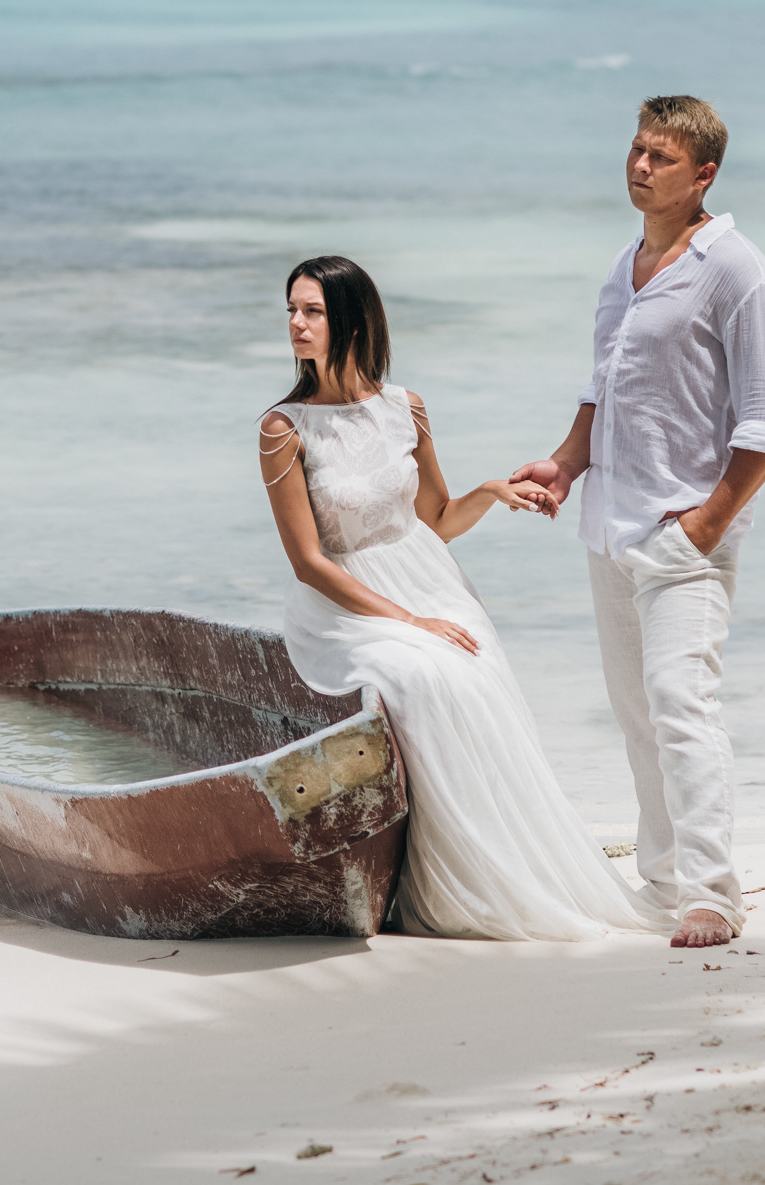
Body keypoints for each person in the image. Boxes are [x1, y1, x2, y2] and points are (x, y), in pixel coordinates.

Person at [258, 255, 674, 940]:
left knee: (476, 667)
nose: (297, 325)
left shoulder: (406, 408)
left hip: (426, 578)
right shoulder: (283, 429)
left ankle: (511, 862)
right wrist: (408, 621)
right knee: (422, 674)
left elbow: (437, 520)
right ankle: (452, 880)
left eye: (313, 312)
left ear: (353, 321)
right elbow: (307, 563)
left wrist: (489, 492)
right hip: (341, 608)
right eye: (292, 312)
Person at [510, 95, 765, 949]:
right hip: (611, 523)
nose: (640, 167)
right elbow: (605, 383)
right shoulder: (626, 263)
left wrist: (707, 524)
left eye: (662, 157)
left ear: (703, 174)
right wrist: (567, 464)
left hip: (683, 537)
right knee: (638, 714)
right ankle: (664, 883)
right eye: (637, 150)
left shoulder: (738, 271)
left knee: (682, 705)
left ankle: (713, 895)